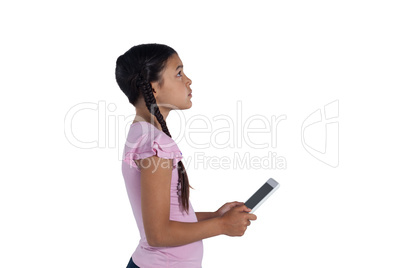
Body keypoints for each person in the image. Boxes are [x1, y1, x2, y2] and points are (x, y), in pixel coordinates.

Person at [115, 43, 257, 268]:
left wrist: (215, 216)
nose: (188, 80)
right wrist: (222, 226)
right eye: (179, 73)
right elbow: (158, 235)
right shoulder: (154, 144)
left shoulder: (142, 134)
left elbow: (165, 219)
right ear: (153, 88)